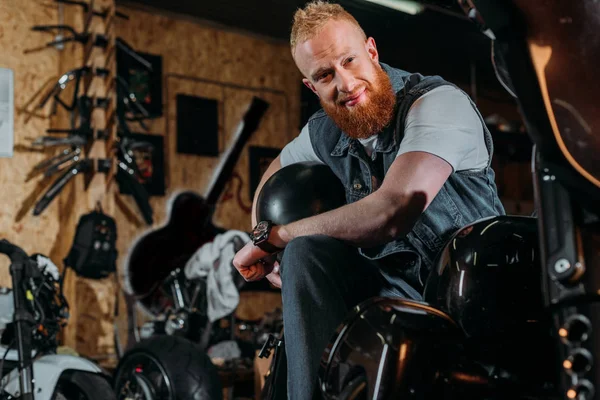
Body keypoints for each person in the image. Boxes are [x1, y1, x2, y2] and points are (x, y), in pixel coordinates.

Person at [233, 1, 505, 398]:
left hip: (468, 309)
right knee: (303, 255)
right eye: (326, 75)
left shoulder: (437, 104)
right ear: (312, 86)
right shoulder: (324, 132)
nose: (345, 83)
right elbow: (271, 177)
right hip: (389, 309)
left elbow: (392, 211)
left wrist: (280, 236)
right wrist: (264, 242)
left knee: (296, 243)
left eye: (350, 60)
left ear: (372, 52)